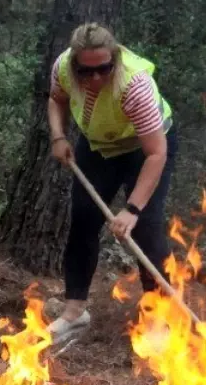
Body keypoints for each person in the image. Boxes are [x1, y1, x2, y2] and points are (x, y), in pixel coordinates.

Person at [46, 22, 176, 349]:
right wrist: (58, 136)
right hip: (99, 146)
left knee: (146, 226)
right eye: (85, 71)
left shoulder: (135, 86)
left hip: (143, 149)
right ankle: (75, 311)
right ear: (74, 62)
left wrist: (132, 209)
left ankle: (158, 315)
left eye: (103, 69)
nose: (94, 79)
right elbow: (56, 99)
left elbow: (157, 154)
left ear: (114, 59)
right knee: (84, 219)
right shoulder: (63, 68)